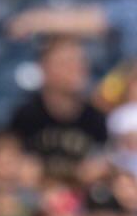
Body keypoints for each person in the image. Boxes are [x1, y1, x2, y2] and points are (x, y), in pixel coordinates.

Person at [9, 36, 106, 181]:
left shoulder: (97, 118)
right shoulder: (25, 116)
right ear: (44, 68)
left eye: (81, 62)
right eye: (67, 63)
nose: (77, 68)